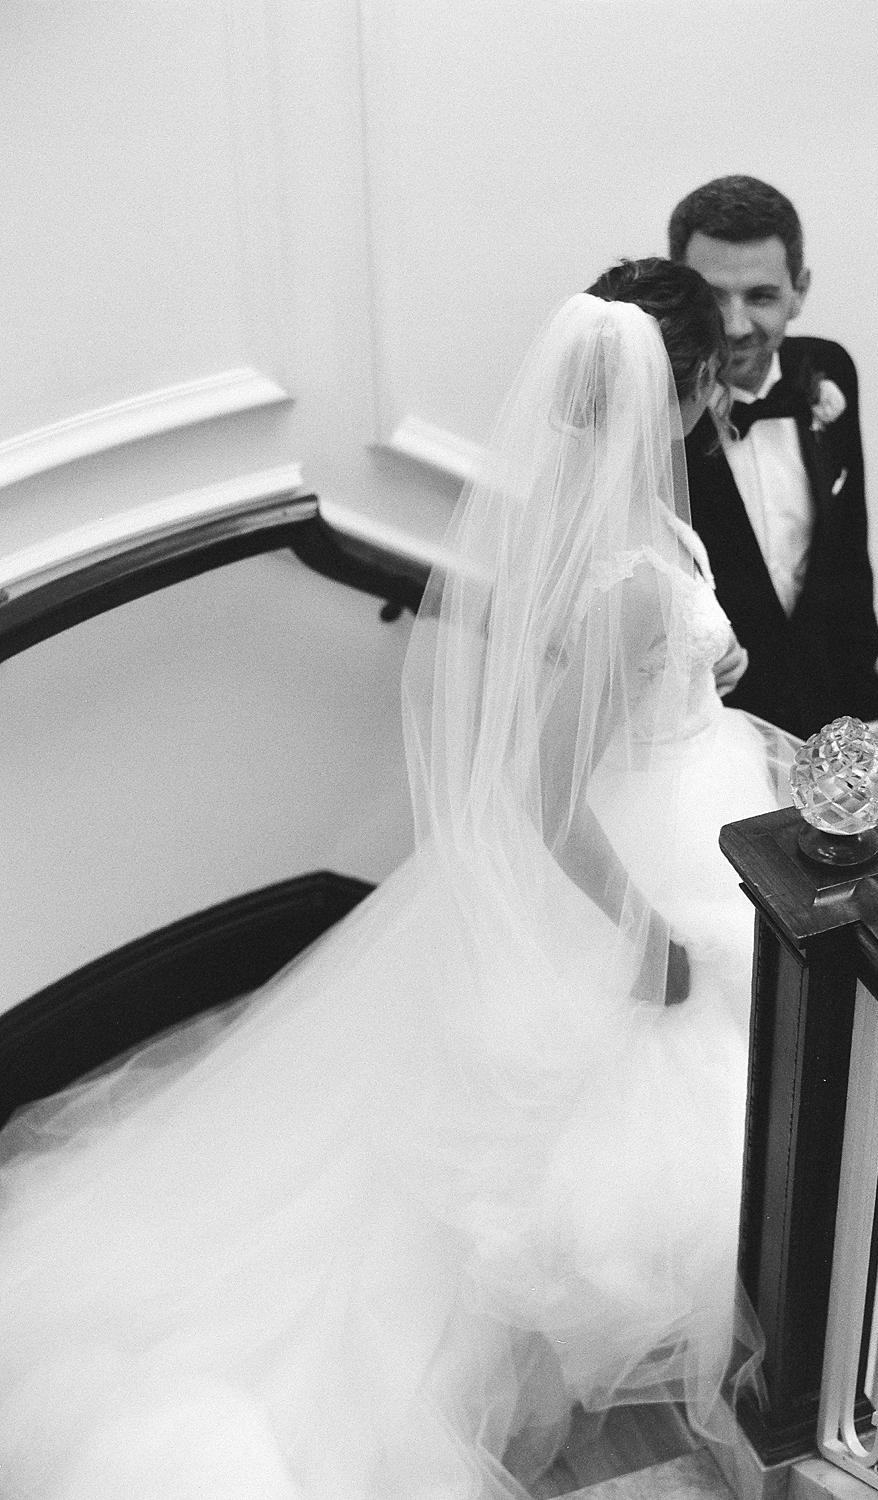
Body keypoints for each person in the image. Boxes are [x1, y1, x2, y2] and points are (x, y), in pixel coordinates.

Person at [0, 261, 795, 1499]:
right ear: (681, 394)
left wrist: (712, 681)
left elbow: (642, 683)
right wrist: (646, 935)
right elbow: (544, 793)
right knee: (612, 1108)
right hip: (631, 866)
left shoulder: (634, 536)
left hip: (690, 807)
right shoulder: (629, 577)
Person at [669, 175, 878, 740]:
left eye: (760, 296)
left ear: (800, 290)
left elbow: (848, 553)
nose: (735, 325)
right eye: (713, 295)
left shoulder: (830, 371)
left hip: (825, 720)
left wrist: (864, 715)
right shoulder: (654, 405)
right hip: (706, 728)